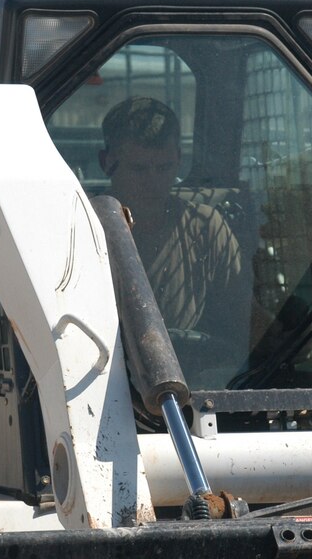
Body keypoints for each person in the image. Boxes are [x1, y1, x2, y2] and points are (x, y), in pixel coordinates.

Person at [99, 97, 250, 387]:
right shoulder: (86, 230)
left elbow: (241, 318)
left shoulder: (206, 229)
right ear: (106, 163)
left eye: (164, 167)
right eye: (139, 169)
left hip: (196, 385)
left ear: (180, 159)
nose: (153, 181)